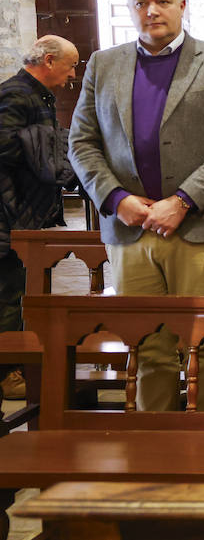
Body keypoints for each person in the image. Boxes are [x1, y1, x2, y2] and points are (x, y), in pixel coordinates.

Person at [69, 0, 204, 411]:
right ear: (131, 9)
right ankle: (157, 447)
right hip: (131, 229)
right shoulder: (104, 63)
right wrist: (116, 198)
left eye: (163, 1)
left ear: (182, 5)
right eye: (140, 3)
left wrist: (183, 200)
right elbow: (81, 141)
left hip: (198, 226)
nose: (152, 11)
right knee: (148, 346)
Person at [0, 35, 80, 399]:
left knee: (16, 291)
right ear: (48, 61)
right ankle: (6, 374)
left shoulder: (35, 94)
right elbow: (4, 145)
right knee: (7, 293)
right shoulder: (17, 93)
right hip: (7, 212)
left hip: (20, 212)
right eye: (70, 65)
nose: (72, 74)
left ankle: (16, 365)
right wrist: (51, 144)